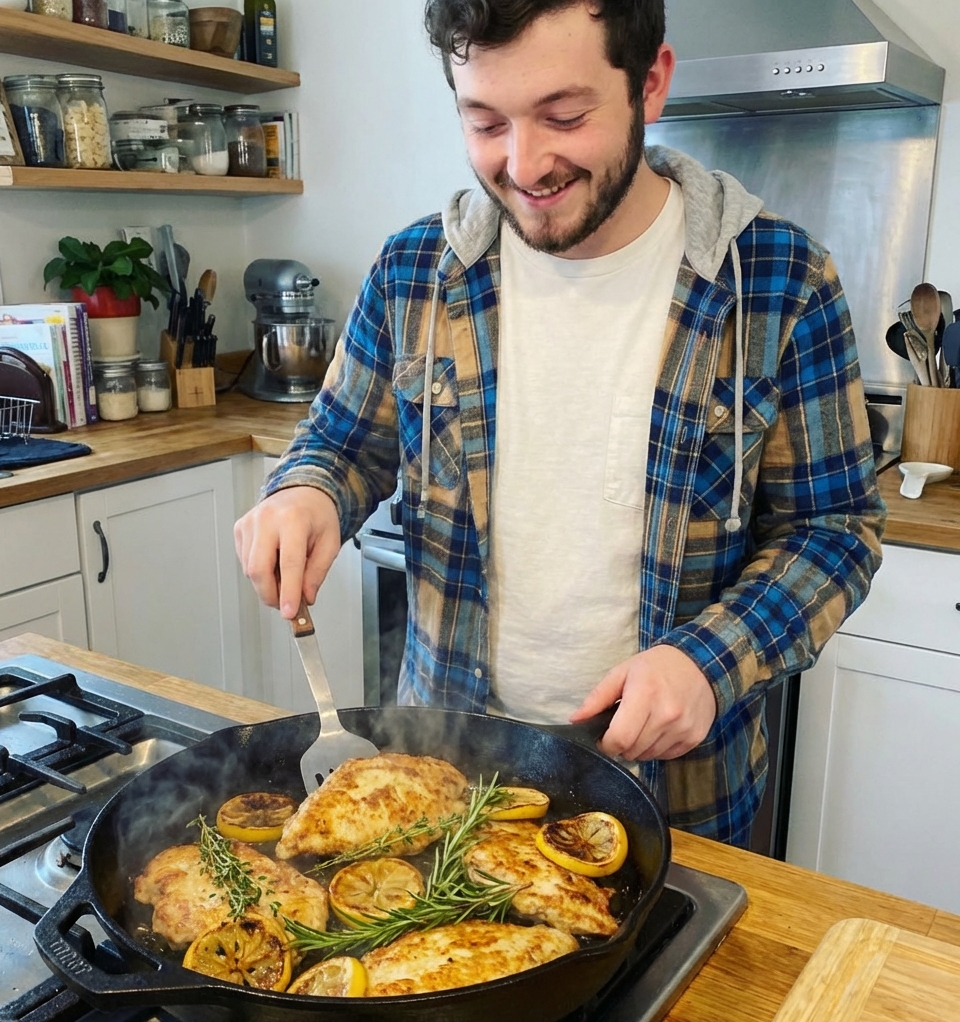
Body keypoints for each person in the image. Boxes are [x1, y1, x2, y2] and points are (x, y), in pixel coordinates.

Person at [234, 0, 886, 847]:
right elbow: (343, 444)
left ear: (649, 84)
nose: (523, 162)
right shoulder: (414, 270)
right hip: (440, 780)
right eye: (484, 121)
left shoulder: (779, 281)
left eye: (564, 116)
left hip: (676, 794)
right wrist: (306, 495)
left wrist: (708, 661)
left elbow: (834, 530)